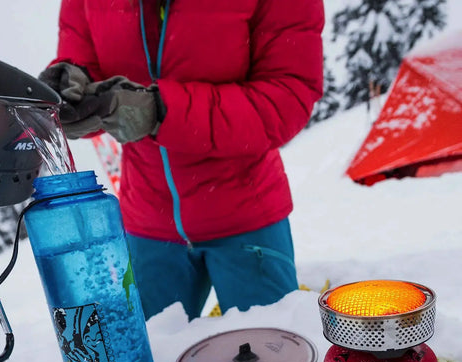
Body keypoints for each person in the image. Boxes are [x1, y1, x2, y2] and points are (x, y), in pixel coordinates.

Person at [40, 0, 325, 321]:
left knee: (273, 360)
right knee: (151, 360)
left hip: (246, 217)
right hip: (148, 220)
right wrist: (75, 84)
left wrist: (162, 111)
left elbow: (287, 96)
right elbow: (83, 56)